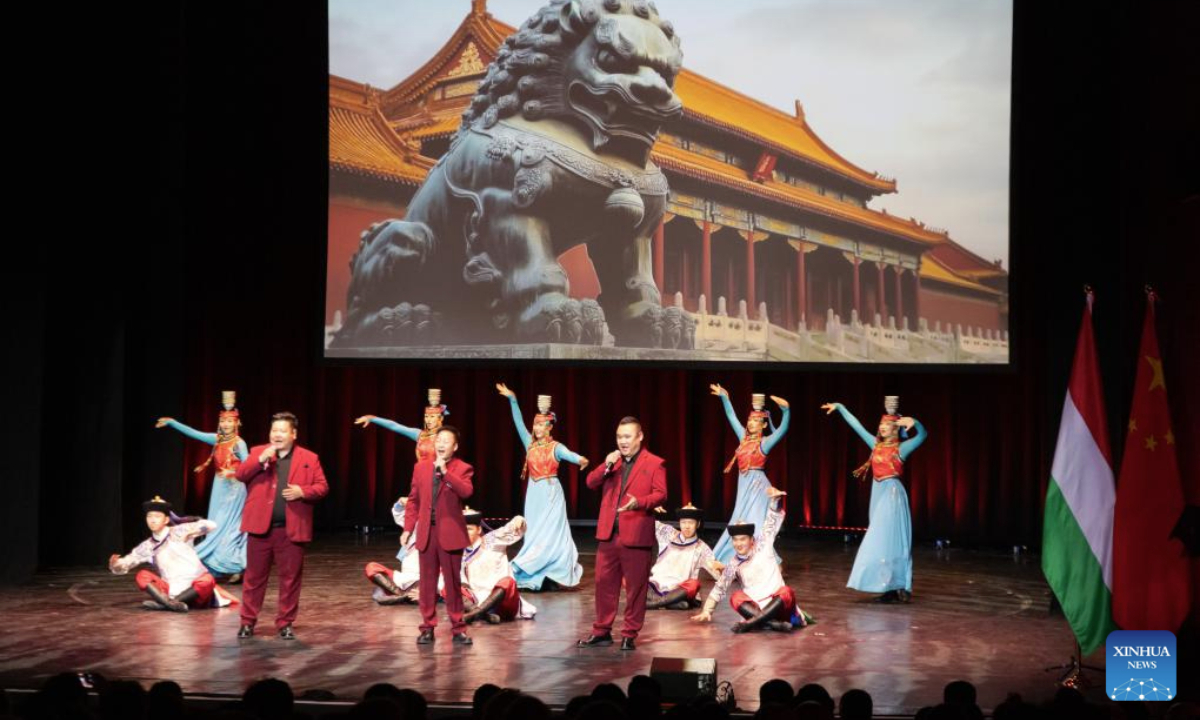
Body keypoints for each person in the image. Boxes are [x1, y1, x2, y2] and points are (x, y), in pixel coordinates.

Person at [234, 412, 329, 639]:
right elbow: (240, 474)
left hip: (291, 530)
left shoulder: (309, 457)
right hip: (260, 529)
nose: (277, 435)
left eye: (282, 431)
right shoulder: (258, 452)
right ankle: (248, 622)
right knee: (254, 579)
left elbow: (322, 487)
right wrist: (259, 461)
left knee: (290, 579)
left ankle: (285, 623)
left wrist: (302, 491)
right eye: (274, 430)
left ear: (293, 434)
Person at [822, 395, 927, 602]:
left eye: (887, 424)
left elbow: (923, 435)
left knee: (890, 540)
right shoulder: (875, 445)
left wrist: (915, 423)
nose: (882, 427)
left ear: (896, 428)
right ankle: (889, 587)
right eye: (881, 424)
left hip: (892, 494)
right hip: (877, 492)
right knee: (883, 541)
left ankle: (901, 585)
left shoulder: (901, 449)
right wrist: (841, 407)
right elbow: (857, 426)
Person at [578, 416, 666, 651]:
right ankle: (601, 631)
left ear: (640, 436)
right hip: (609, 534)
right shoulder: (613, 462)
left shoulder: (654, 463)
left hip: (636, 534)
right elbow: (590, 482)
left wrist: (640, 503)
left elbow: (661, 494)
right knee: (603, 584)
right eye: (619, 437)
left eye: (627, 436)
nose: (622, 441)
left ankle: (629, 634)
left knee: (636, 588)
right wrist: (606, 465)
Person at [496, 384, 588, 590]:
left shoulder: (556, 447)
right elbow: (518, 423)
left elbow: (572, 456)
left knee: (551, 534)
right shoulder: (529, 442)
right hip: (534, 493)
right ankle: (535, 573)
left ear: (550, 427)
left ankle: (551, 571)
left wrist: (581, 460)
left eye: (541, 425)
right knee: (535, 532)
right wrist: (513, 399)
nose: (537, 428)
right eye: (535, 424)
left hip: (551, 493)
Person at [154, 390, 248, 581]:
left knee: (229, 527)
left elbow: (248, 467)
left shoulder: (239, 443)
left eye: (230, 421)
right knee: (214, 525)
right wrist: (173, 422)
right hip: (220, 487)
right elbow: (194, 433)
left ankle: (234, 564)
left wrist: (236, 472)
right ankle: (218, 566)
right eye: (223, 421)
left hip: (235, 489)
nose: (226, 424)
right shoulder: (217, 439)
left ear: (237, 423)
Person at [690, 488, 812, 633]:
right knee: (735, 598)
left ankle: (752, 623)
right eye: (735, 540)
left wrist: (774, 501)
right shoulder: (733, 564)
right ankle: (773, 624)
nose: (738, 543)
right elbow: (719, 588)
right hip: (756, 608)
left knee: (786, 592)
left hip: (779, 607)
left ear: (751, 540)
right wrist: (707, 611)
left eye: (742, 539)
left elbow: (770, 524)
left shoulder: (763, 545)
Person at [403, 425, 475, 645]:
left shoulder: (463, 468)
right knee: (427, 583)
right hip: (427, 532)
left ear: (455, 446)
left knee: (453, 583)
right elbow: (413, 500)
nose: (441, 444)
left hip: (450, 533)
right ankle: (427, 627)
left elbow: (466, 491)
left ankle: (458, 628)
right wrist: (408, 529)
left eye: (447, 441)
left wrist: (446, 473)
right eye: (439, 440)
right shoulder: (421, 468)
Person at [108, 496, 235, 611]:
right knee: (142, 575)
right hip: (170, 589)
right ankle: (171, 603)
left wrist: (184, 521)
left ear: (166, 519)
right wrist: (115, 564)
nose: (152, 520)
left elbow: (212, 525)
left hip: (195, 592)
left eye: (157, 516)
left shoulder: (179, 531)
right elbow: (124, 565)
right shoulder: (147, 546)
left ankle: (165, 605)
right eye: (149, 516)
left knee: (207, 579)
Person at [709, 385, 790, 563]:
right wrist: (725, 397)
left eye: (756, 421)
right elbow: (731, 417)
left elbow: (783, 430)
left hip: (758, 487)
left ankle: (768, 563)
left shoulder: (765, 443)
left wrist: (785, 411)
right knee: (739, 521)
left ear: (764, 424)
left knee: (755, 524)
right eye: (750, 420)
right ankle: (730, 559)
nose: (751, 424)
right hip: (744, 485)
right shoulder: (742, 438)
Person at [460, 508, 537, 623]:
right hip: (475, 600)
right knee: (448, 584)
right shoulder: (460, 552)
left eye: (469, 529)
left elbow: (513, 528)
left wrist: (519, 520)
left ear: (479, 529)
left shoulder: (493, 540)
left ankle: (475, 614)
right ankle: (482, 614)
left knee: (508, 582)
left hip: (502, 602)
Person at [646, 504, 721, 610]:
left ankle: (653, 603)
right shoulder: (669, 533)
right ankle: (669, 603)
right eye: (683, 522)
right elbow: (649, 523)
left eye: (690, 523)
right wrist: (648, 509)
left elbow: (717, 571)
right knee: (637, 581)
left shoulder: (702, 548)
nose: (686, 526)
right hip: (657, 584)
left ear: (698, 524)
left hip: (680, 589)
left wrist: (721, 568)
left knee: (694, 584)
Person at [363, 496, 436, 605]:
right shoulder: (413, 527)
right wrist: (400, 503)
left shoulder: (438, 537)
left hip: (423, 582)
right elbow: (398, 514)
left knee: (418, 597)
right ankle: (402, 596)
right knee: (371, 568)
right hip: (404, 579)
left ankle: (399, 597)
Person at [354, 388, 449, 463]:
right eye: (426, 416)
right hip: (420, 476)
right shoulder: (420, 435)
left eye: (432, 416)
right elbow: (394, 426)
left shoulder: (446, 437)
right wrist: (372, 418)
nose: (428, 420)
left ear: (441, 418)